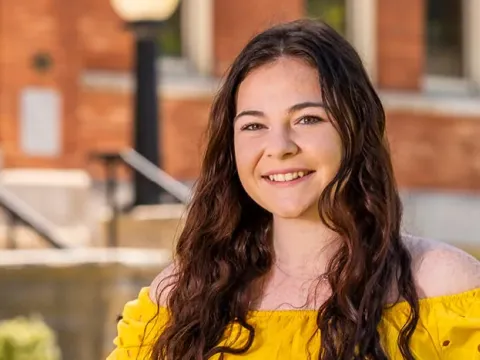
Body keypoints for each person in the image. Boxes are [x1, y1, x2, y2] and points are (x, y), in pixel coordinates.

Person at [107, 19, 480, 360]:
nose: (280, 146)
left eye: (307, 119)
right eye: (254, 126)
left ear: (355, 128)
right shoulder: (179, 300)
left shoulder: (442, 290)